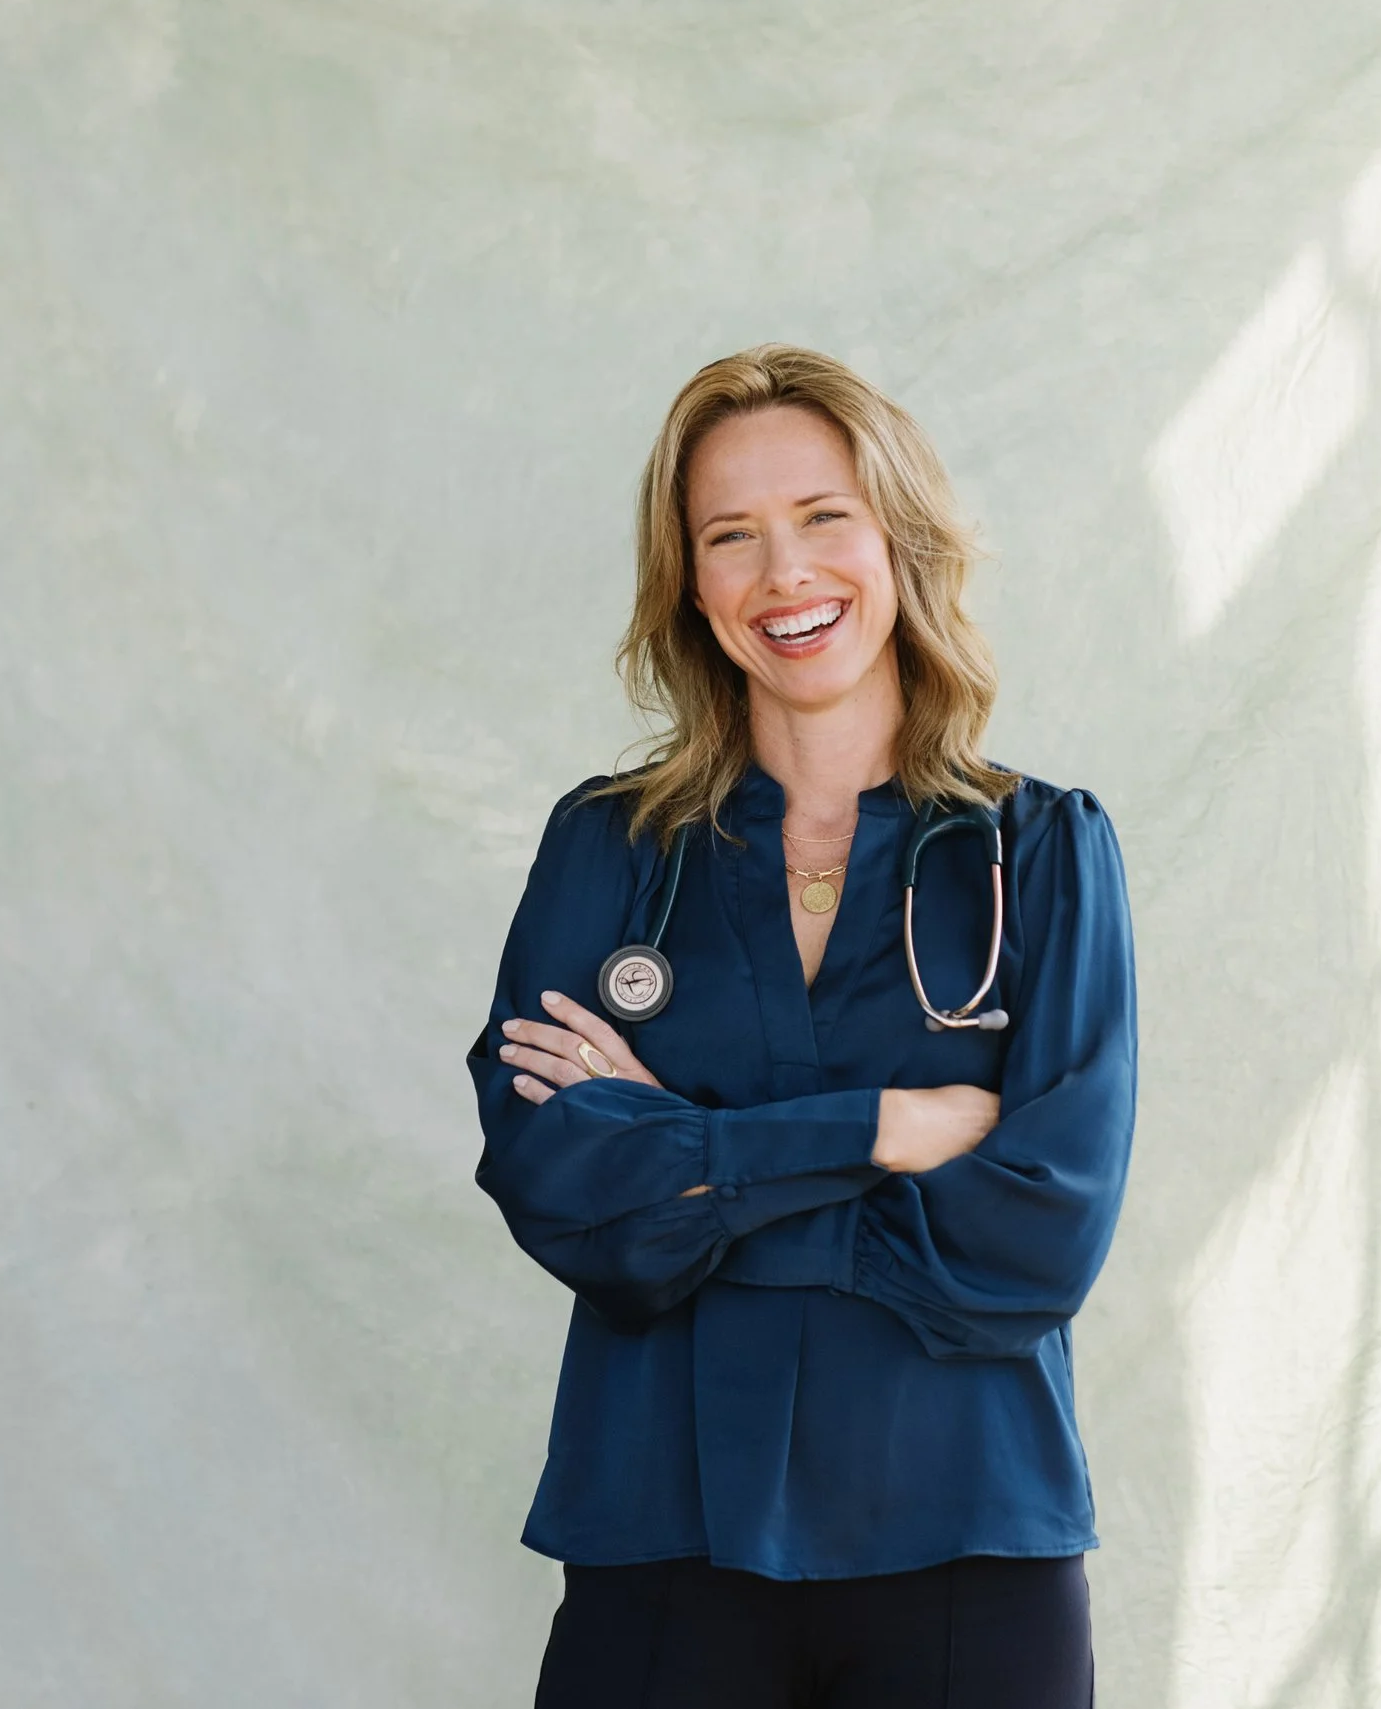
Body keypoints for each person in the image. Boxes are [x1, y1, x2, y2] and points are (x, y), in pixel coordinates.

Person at [468, 344, 1137, 1709]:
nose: (786, 576)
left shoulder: (1042, 853)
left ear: (896, 537)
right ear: (691, 583)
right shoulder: (610, 853)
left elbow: (1037, 1236)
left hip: (970, 1544)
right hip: (661, 1538)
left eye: (823, 518)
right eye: (732, 536)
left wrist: (695, 1158)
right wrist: (883, 1130)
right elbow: (569, 1202)